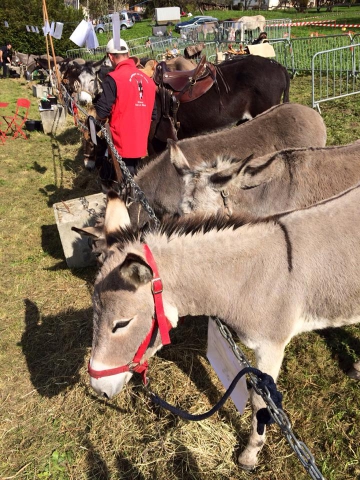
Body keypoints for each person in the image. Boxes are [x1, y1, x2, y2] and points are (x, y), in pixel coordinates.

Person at [95, 38, 156, 177]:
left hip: (121, 142)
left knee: (125, 181)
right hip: (140, 142)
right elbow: (153, 114)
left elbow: (102, 111)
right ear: (128, 54)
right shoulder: (148, 80)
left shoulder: (113, 78)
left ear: (110, 57)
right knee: (134, 175)